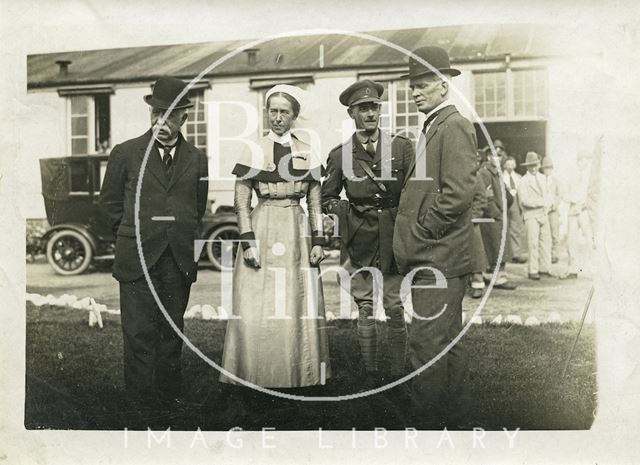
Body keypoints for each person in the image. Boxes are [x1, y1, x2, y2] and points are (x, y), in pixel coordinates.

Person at [98, 77, 209, 408]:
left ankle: (167, 399)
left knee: (171, 331)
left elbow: (197, 206)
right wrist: (135, 233)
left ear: (184, 118)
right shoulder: (126, 153)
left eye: (170, 115)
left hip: (177, 259)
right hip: (137, 259)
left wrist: (176, 232)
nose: (162, 121)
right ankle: (140, 404)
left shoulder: (197, 158)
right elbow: (108, 207)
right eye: (157, 113)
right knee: (139, 333)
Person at [219, 84, 331, 388]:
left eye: (284, 112)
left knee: (296, 301)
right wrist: (248, 242)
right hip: (263, 227)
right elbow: (241, 202)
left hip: (297, 230)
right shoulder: (253, 148)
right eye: (273, 111)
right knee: (260, 305)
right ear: (267, 113)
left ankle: (299, 376)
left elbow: (315, 202)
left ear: (294, 115)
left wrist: (319, 241)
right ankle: (256, 375)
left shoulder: (306, 151)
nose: (278, 117)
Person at [393, 46, 476, 427]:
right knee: (447, 340)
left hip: (437, 255)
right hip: (442, 255)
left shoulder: (454, 125)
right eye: (412, 86)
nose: (415, 93)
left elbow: (458, 192)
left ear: (444, 86)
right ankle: (454, 414)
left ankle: (423, 421)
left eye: (423, 85)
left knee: (426, 340)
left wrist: (423, 232)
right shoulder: (433, 125)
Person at [322, 80, 414, 386]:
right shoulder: (340, 155)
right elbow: (328, 197)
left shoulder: (401, 148)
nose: (370, 114)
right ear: (352, 114)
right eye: (363, 109)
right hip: (359, 236)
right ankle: (371, 372)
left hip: (393, 235)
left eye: (374, 107)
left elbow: (414, 192)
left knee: (394, 304)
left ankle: (399, 371)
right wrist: (347, 215)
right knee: (364, 304)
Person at [478, 145, 518, 290]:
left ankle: (493, 276)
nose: (498, 158)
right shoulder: (485, 173)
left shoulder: (497, 173)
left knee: (499, 247)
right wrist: (497, 214)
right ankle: (498, 279)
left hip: (500, 216)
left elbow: (506, 194)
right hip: (492, 218)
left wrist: (509, 200)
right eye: (495, 155)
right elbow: (486, 197)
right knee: (495, 248)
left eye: (500, 155)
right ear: (488, 157)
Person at [517, 151, 553, 280]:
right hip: (531, 215)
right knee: (533, 243)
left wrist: (548, 205)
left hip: (544, 214)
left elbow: (549, 195)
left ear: (539, 165)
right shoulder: (523, 181)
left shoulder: (543, 178)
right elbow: (524, 201)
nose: (533, 168)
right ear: (526, 167)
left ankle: (545, 268)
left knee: (546, 242)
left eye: (535, 165)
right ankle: (533, 270)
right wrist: (541, 202)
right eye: (530, 166)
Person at [563, 151, 595, 279]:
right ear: (578, 161)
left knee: (590, 240)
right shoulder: (571, 175)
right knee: (571, 240)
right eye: (582, 160)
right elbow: (564, 194)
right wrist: (573, 201)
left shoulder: (590, 177)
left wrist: (583, 204)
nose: (584, 163)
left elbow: (592, 194)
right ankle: (573, 270)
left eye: (586, 160)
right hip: (573, 210)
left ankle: (594, 270)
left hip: (585, 211)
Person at [470, 150, 489, 299]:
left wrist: (473, 216)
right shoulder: (452, 177)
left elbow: (481, 199)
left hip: (471, 222)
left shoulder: (476, 177)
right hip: (454, 221)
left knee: (476, 253)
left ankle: (477, 284)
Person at [503, 156, 528, 263]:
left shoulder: (518, 177)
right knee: (504, 228)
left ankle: (516, 253)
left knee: (516, 228)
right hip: (504, 203)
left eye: (512, 164)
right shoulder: (500, 176)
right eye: (508, 164)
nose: (510, 167)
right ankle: (505, 254)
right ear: (504, 165)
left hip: (515, 202)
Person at [540, 156, 562, 263]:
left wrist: (554, 205)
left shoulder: (556, 181)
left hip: (553, 211)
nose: (547, 170)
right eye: (545, 168)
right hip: (543, 210)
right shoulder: (540, 180)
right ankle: (545, 254)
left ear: (552, 169)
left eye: (549, 168)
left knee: (554, 233)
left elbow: (559, 195)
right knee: (544, 234)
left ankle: (555, 254)